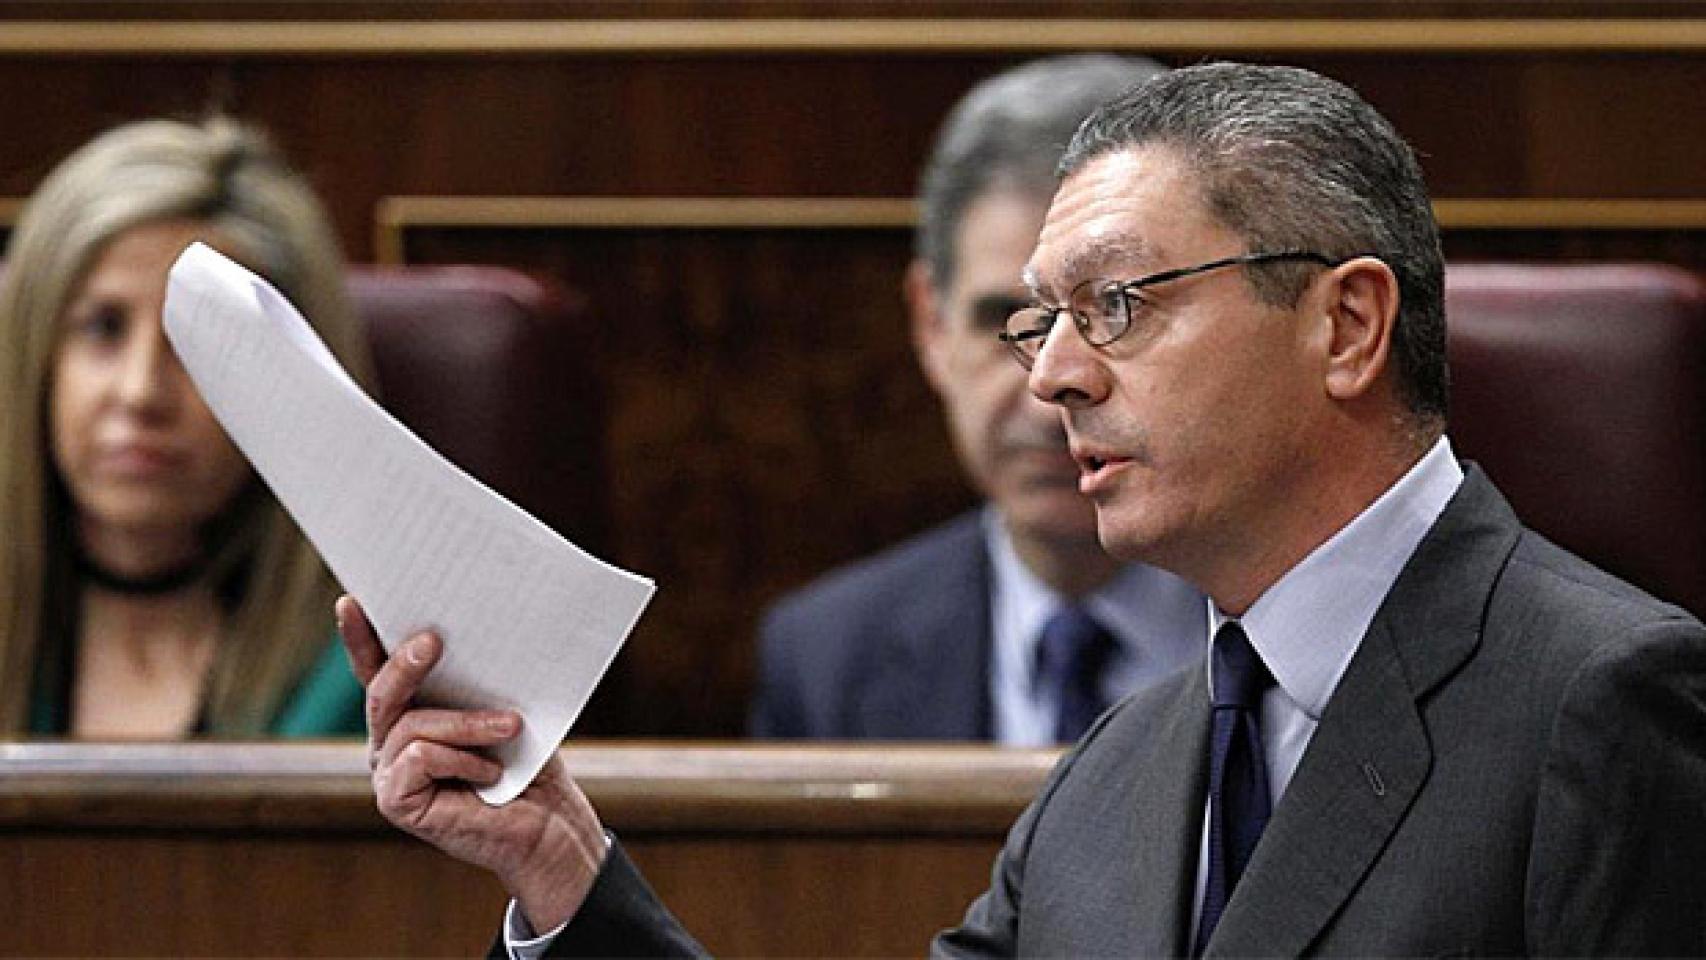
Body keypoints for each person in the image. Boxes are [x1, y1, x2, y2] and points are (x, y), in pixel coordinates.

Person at [344, 62, 1706, 956]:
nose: (1050, 375)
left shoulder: (1606, 704)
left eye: (1114, 304)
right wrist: (564, 867)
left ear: (1344, 326)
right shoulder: (1117, 772)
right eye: (1033, 321)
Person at [750, 54, 1207, 745]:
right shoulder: (823, 658)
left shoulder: (1307, 635)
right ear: (930, 326)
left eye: (1111, 315)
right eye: (1005, 323)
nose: (1048, 398)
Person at [0, 117, 376, 738]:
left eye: (195, 342)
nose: (141, 392)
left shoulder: (367, 667)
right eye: (103, 327)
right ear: (35, 356)